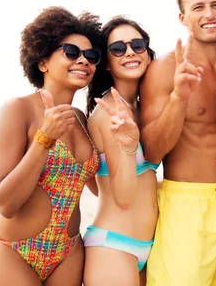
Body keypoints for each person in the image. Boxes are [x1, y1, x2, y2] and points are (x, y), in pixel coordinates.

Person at [0, 7, 104, 285]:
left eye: (91, 56)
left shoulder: (81, 120)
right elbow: (6, 203)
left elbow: (98, 187)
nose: (83, 60)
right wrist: (44, 139)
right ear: (42, 61)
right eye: (71, 52)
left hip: (68, 251)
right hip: (12, 251)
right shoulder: (17, 109)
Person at [140, 0, 216, 286]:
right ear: (183, 17)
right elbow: (152, 150)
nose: (209, 14)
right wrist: (178, 98)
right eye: (198, 7)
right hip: (185, 204)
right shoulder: (165, 68)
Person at [82, 16, 158, 286]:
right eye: (118, 48)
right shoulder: (109, 113)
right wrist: (127, 148)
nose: (129, 52)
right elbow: (123, 198)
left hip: (147, 245)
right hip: (114, 247)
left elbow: (98, 183)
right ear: (107, 63)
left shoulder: (141, 109)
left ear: (148, 54)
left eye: (137, 45)